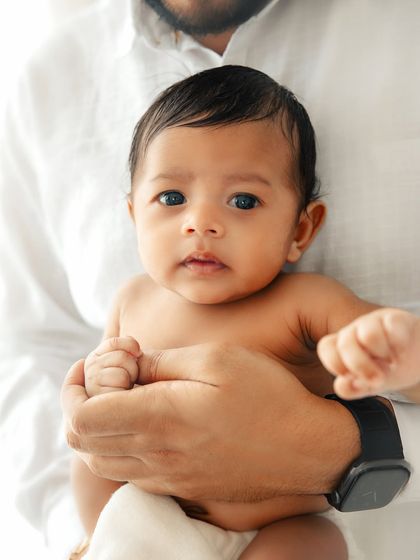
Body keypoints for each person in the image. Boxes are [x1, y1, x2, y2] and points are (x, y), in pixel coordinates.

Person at [1, 1, 420, 558]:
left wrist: (393, 357)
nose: (201, 222)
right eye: (171, 198)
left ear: (301, 229)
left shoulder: (307, 304)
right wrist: (104, 379)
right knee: (87, 467)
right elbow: (51, 358)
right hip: (147, 513)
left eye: (243, 200)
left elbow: (398, 360)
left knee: (314, 544)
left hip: (274, 525)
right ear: (133, 216)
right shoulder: (132, 299)